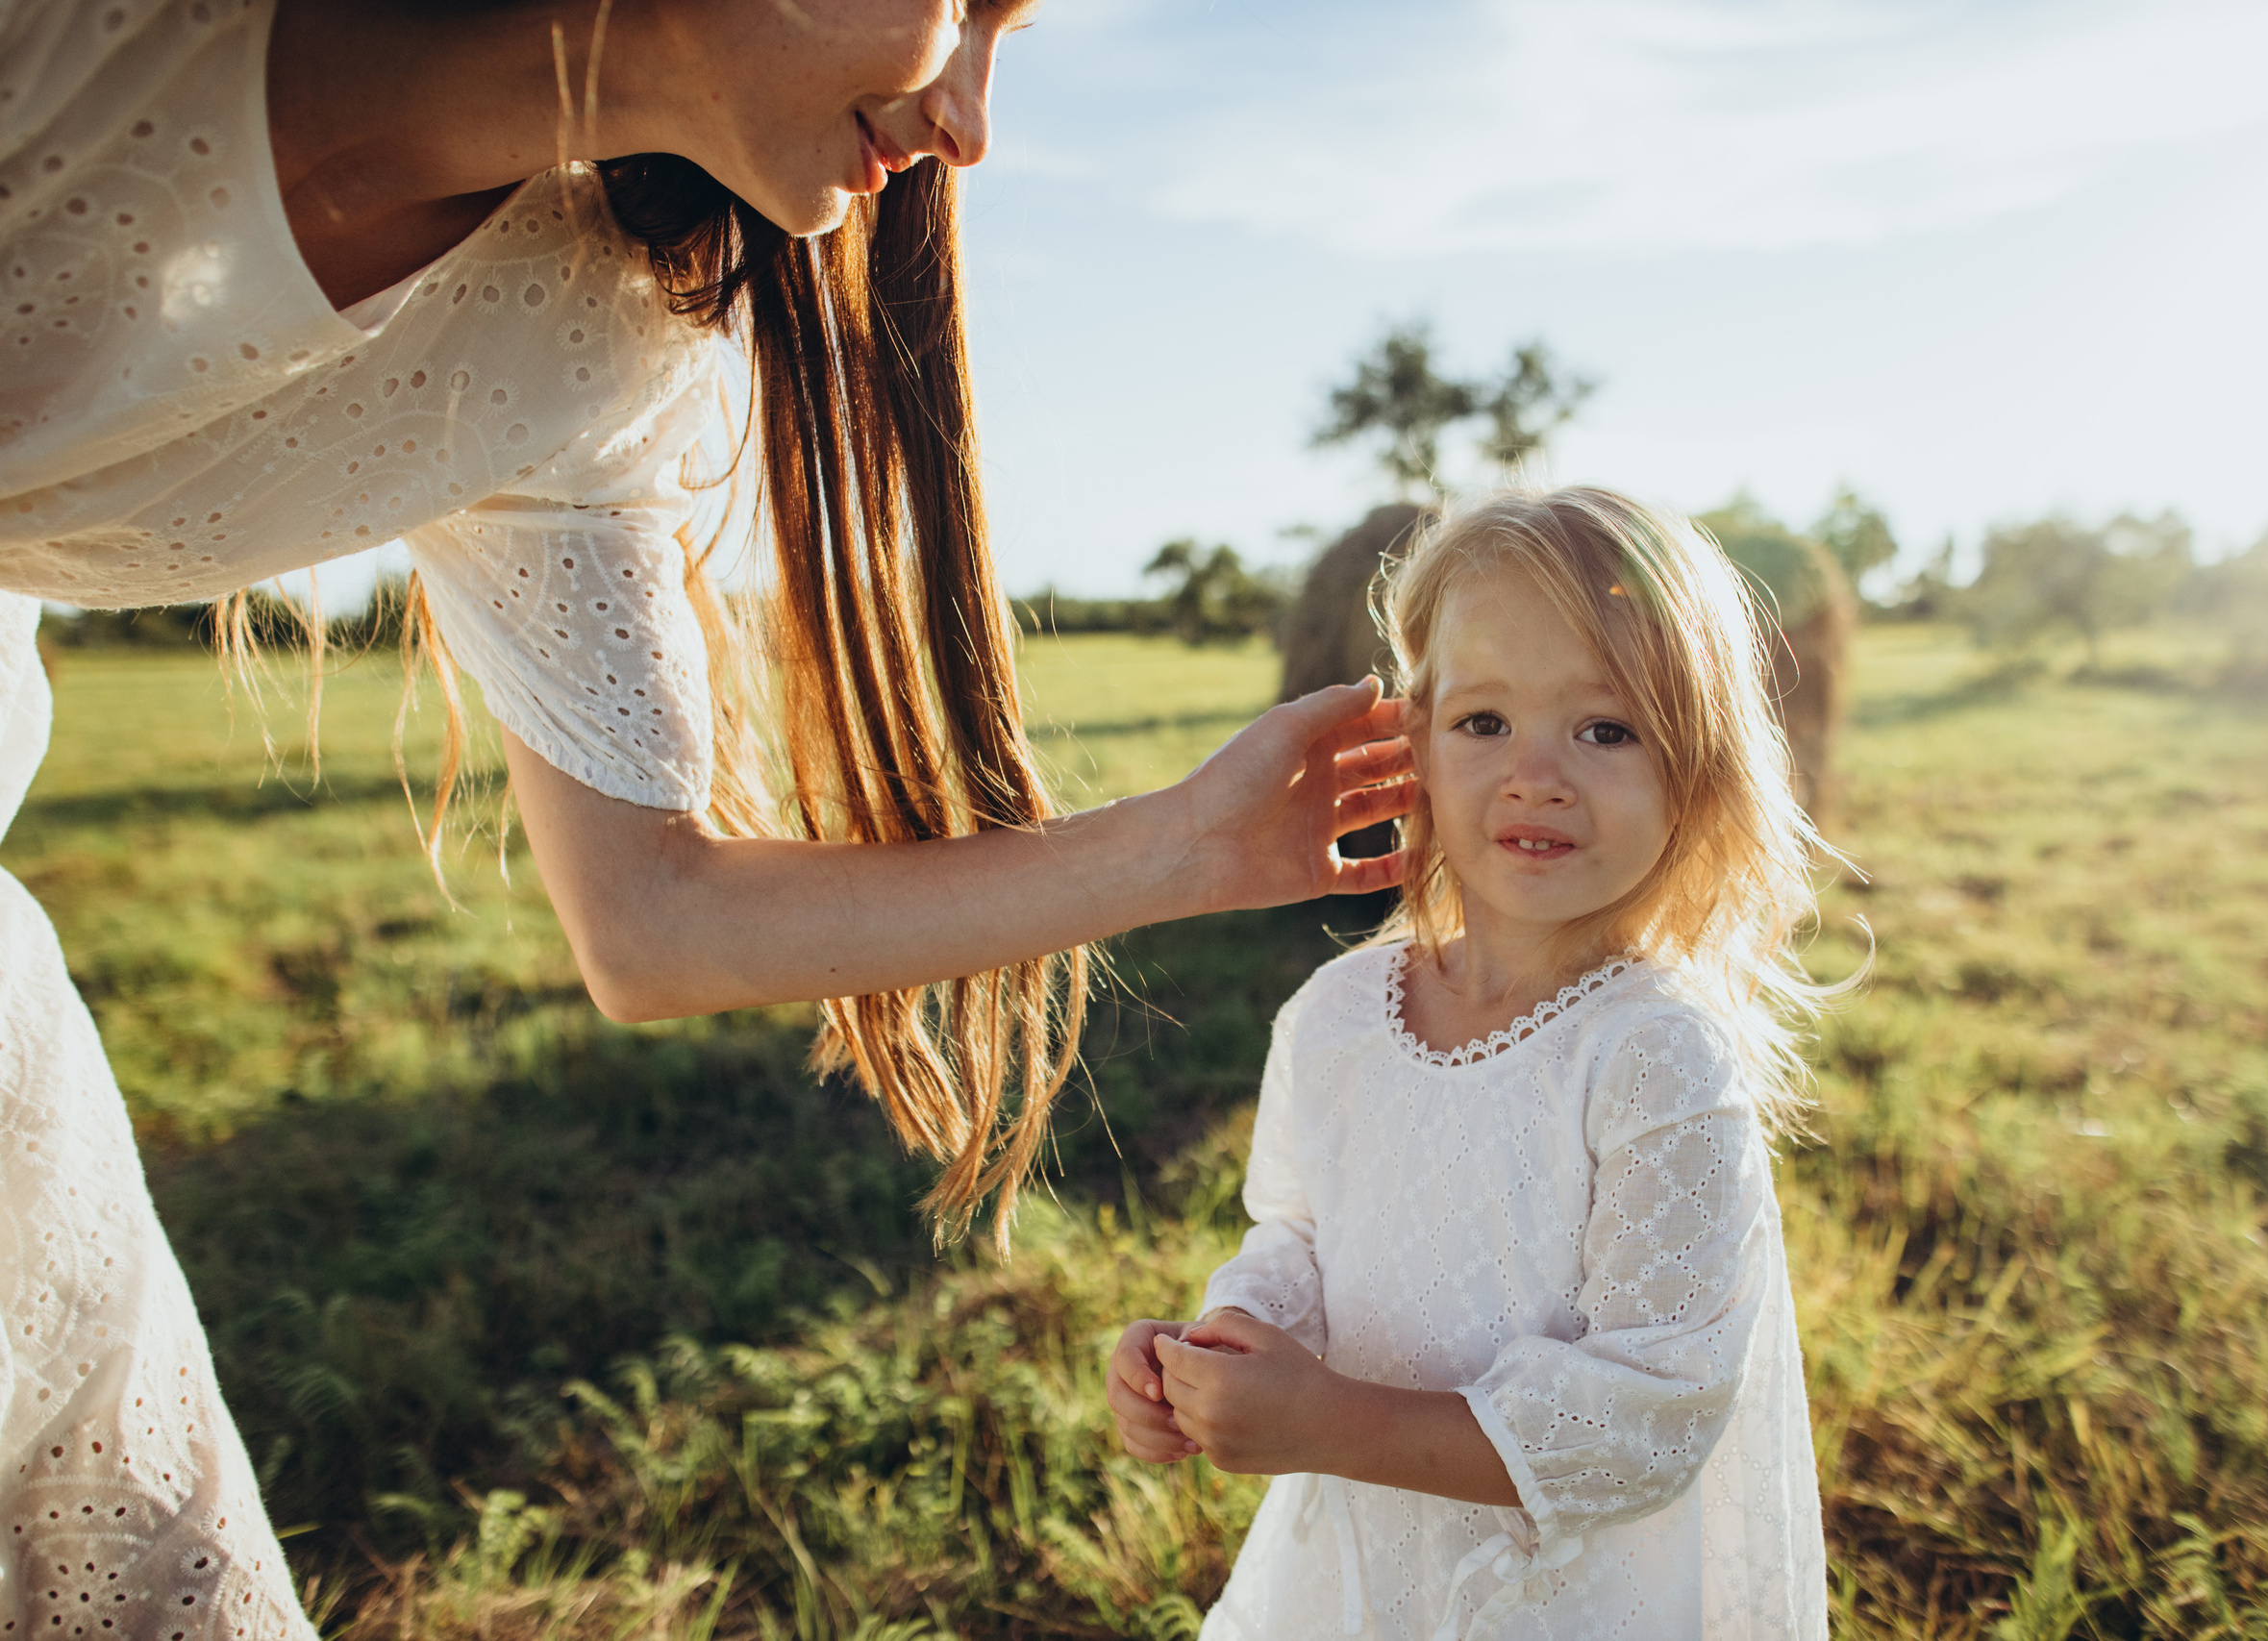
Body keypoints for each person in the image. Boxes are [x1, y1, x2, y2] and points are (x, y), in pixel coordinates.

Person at [0, 1, 1412, 1633]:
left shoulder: (593, 341)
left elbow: (654, 919)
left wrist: (1187, 846)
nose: (971, 123)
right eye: (969, 12)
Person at [1106, 487, 1838, 1640]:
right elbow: (1294, 1240)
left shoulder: (1655, 1056)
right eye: (1484, 722)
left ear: (1693, 772)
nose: (1534, 775)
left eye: (1605, 729)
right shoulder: (1336, 1014)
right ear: (1413, 751)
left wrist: (1328, 1425)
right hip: (1356, 1572)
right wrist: (1217, 1351)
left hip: (1548, 1597)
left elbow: (1652, 1415)